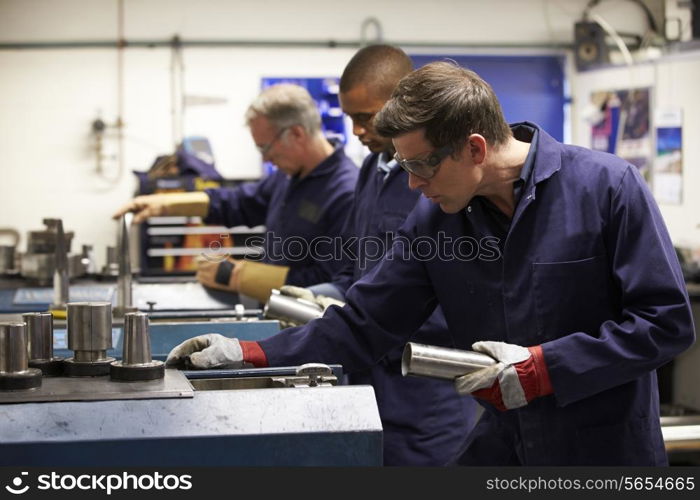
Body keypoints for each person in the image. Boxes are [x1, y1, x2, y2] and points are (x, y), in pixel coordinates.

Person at [165, 62, 695, 465]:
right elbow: (365, 321)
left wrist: (544, 369)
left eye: (420, 165)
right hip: (503, 444)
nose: (412, 183)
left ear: (475, 147)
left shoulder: (607, 188)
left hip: (602, 452)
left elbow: (665, 323)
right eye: (403, 166)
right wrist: (247, 352)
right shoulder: (437, 219)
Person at [284, 45, 477, 466]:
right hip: (370, 383)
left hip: (428, 391)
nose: (355, 131)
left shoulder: (443, 184)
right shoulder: (372, 172)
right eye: (349, 117)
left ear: (401, 105)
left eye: (364, 117)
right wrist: (317, 297)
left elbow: (456, 299)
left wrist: (369, 317)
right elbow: (357, 270)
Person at [114, 84, 358, 302]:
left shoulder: (346, 192)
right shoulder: (289, 176)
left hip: (310, 324)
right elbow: (241, 202)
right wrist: (166, 204)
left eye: (265, 147)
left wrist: (239, 275)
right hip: (277, 309)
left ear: (296, 133)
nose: (264, 158)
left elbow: (332, 282)